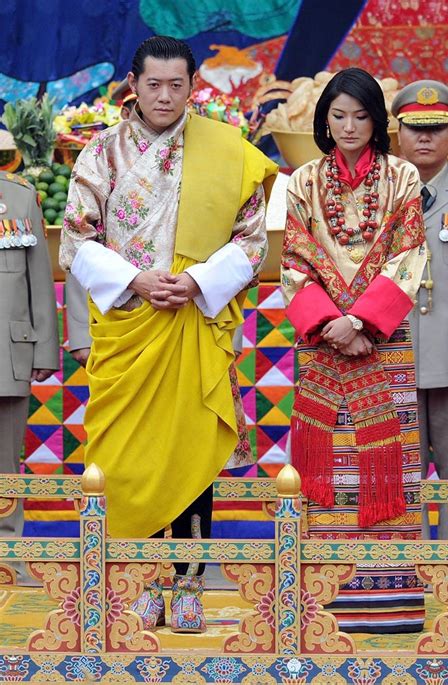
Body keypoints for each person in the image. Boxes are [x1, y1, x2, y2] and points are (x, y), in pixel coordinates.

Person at [59, 35, 277, 633]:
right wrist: (137, 279)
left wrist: (199, 282)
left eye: (176, 85)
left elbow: (252, 239)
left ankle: (187, 582)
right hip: (130, 327)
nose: (163, 95)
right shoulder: (100, 154)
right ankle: (142, 577)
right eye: (152, 84)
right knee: (130, 458)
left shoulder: (223, 150)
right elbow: (77, 238)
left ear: (192, 88)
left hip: (193, 321)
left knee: (188, 454)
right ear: (133, 83)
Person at [281, 67, 427, 634]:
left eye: (360, 116)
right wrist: (332, 324)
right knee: (329, 477)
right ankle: (322, 606)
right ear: (323, 120)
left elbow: (411, 256)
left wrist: (363, 321)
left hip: (382, 341)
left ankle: (393, 605)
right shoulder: (300, 182)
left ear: (377, 120)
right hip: (324, 342)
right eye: (337, 115)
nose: (348, 126)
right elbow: (293, 261)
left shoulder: (404, 178)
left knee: (386, 464)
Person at [393, 80, 448, 540]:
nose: (425, 138)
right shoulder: (377, 196)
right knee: (398, 480)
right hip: (392, 354)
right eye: (415, 128)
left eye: (437, 128)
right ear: (397, 132)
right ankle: (404, 587)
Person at [0, 171, 59, 583]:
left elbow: (40, 278)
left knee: (5, 463)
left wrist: (44, 350)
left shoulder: (19, 198)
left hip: (8, 353)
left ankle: (5, 556)